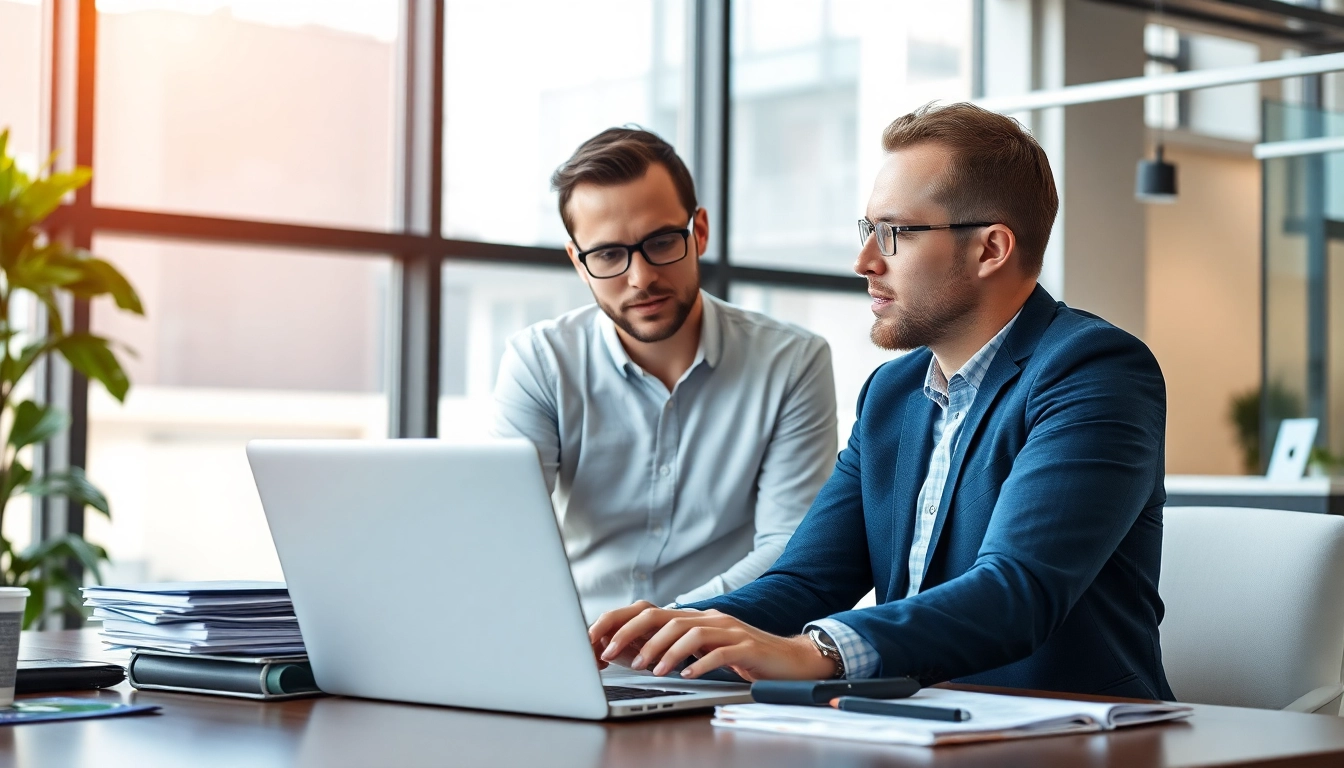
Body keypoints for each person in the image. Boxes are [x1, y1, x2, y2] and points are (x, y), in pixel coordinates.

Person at [589, 103, 1174, 701]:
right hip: (916, 727)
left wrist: (814, 651)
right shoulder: (891, 395)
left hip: (1073, 734)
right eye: (866, 230)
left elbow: (1015, 592)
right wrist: (661, 635)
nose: (865, 261)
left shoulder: (1095, 371)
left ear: (991, 249)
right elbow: (805, 581)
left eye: (893, 233)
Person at [492, 128, 838, 622]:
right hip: (578, 646)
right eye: (609, 254)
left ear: (698, 231)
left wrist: (666, 621)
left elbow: (789, 544)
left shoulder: (792, 361)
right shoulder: (541, 362)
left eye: (659, 242)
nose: (641, 277)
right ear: (578, 261)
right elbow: (506, 531)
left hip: (720, 647)